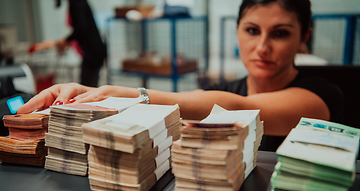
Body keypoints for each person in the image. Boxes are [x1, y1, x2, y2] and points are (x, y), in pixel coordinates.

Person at [17, 0, 343, 151]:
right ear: (238, 32)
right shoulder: (217, 91)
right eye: (252, 30)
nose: (262, 47)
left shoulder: (322, 94)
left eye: (281, 33)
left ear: (304, 38)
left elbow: (238, 106)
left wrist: (125, 92)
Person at [29, 0, 106, 87]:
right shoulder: (78, 3)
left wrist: (65, 41)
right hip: (94, 51)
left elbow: (80, 29)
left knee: (87, 87)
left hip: (93, 53)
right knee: (88, 86)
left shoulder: (76, 3)